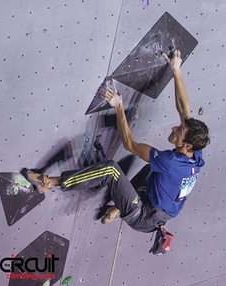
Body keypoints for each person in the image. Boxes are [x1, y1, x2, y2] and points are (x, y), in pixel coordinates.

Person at [21, 50, 210, 233]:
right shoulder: (196, 154)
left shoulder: (169, 162)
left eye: (179, 131)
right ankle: (118, 208)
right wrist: (176, 70)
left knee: (111, 170)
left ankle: (50, 183)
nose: (174, 128)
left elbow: (130, 145)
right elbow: (185, 110)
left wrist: (119, 107)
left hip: (143, 216)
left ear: (187, 145)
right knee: (151, 167)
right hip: (157, 209)